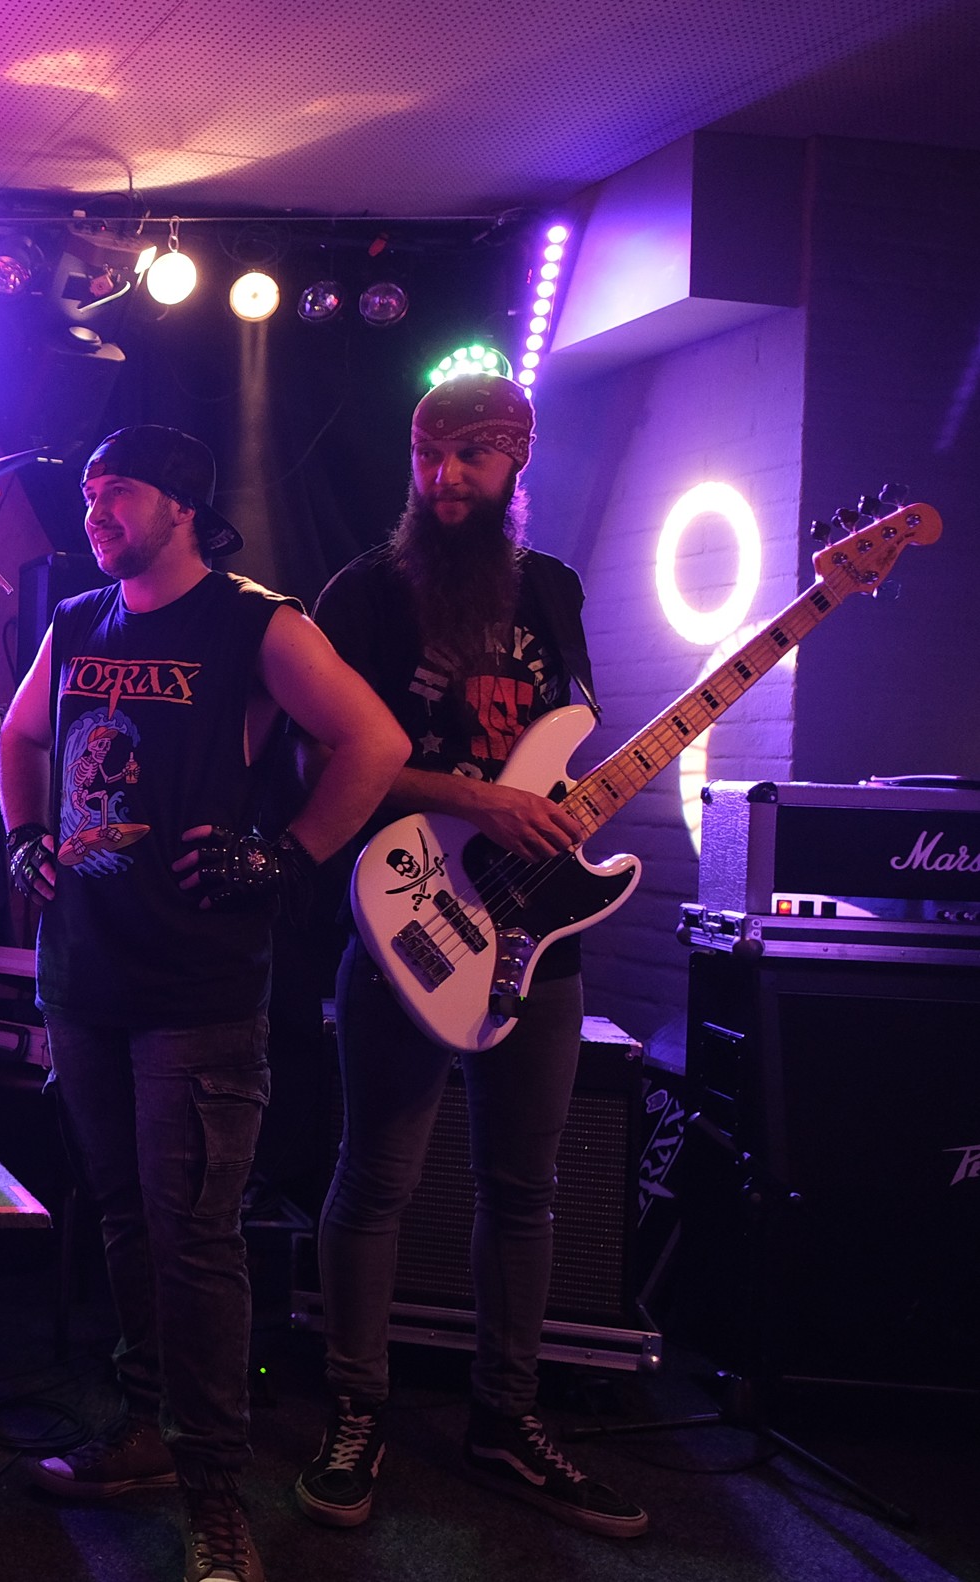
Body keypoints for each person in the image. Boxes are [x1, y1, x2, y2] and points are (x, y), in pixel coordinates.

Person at [0, 427, 405, 1582]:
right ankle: (145, 1433)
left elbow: (375, 740)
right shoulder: (79, 619)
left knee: (193, 1240)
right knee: (127, 1220)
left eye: (116, 491)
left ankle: (216, 1496)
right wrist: (23, 833)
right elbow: (21, 734)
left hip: (197, 987)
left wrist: (288, 852)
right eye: (87, 492)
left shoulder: (254, 623)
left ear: (182, 504)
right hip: (85, 976)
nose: (94, 510)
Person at [293, 373, 648, 1540]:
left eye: (472, 457)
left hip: (536, 938)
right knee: (375, 1179)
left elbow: (568, 738)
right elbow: (321, 766)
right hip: (406, 919)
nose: (444, 478)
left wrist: (545, 810)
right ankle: (357, 1408)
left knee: (525, 1191)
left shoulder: (553, 591)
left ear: (517, 461)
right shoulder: (362, 592)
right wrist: (476, 801)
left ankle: (505, 1415)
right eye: (428, 454)